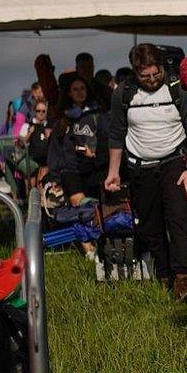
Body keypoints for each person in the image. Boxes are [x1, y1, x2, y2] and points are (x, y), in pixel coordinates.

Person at [104, 44, 187, 302]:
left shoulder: (176, 88)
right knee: (150, 225)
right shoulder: (124, 94)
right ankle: (164, 273)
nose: (153, 80)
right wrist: (114, 172)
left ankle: (182, 280)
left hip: (174, 161)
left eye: (156, 75)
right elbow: (116, 134)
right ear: (135, 73)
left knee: (177, 219)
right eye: (146, 77)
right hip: (140, 166)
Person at [46, 75, 108, 258]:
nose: (80, 92)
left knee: (95, 208)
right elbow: (55, 150)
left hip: (94, 169)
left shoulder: (98, 115)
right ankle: (88, 249)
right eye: (75, 89)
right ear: (69, 94)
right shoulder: (63, 119)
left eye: (83, 88)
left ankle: (101, 245)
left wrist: (97, 154)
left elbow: (107, 141)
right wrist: (54, 177)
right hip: (70, 170)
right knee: (79, 207)